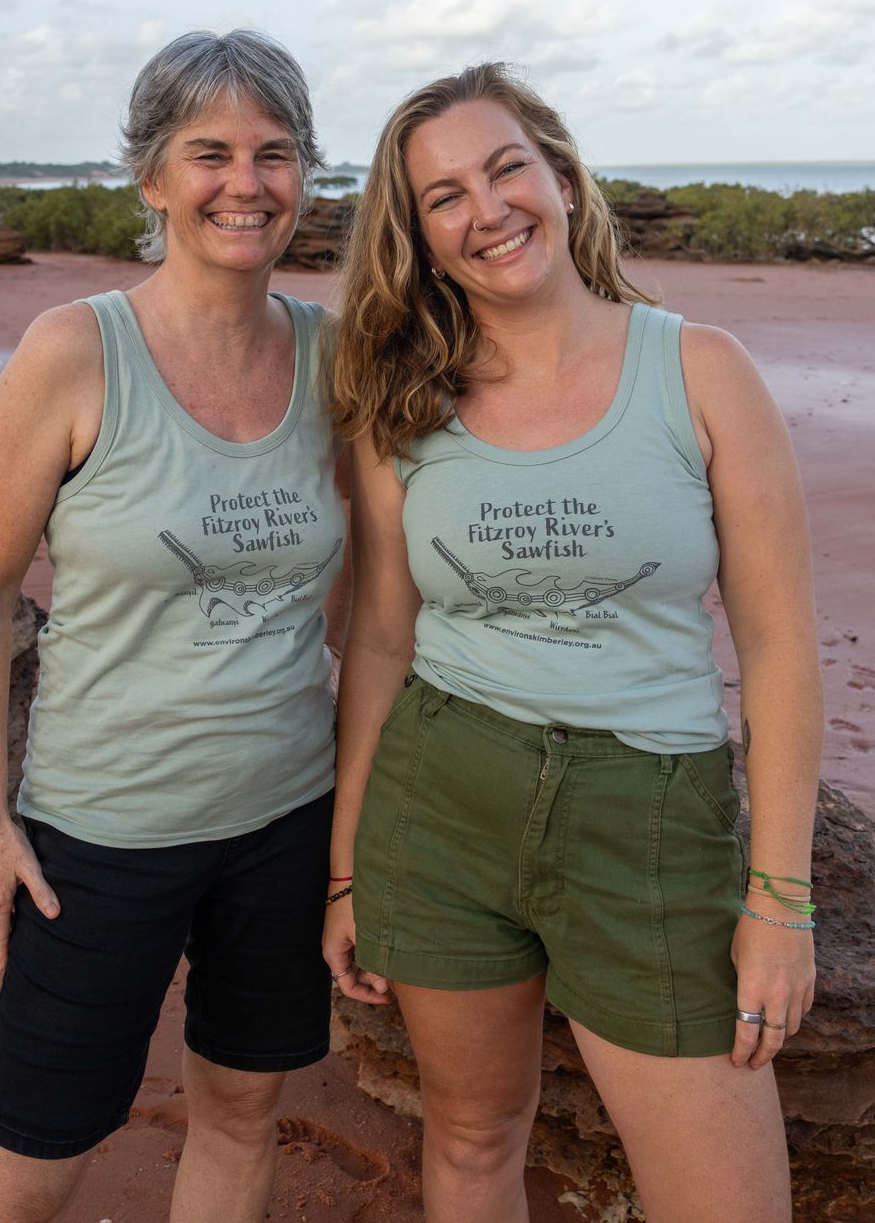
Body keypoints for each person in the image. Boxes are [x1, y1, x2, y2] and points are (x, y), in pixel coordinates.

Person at [323, 62, 822, 1223]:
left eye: (506, 168)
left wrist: (779, 900)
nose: (487, 210)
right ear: (421, 239)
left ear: (559, 174)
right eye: (444, 196)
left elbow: (780, 645)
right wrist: (349, 867)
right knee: (470, 1142)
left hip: (644, 813)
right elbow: (383, 640)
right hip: (439, 803)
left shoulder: (699, 369)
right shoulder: (403, 400)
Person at [0, 29, 348, 1223]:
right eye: (210, 151)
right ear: (152, 175)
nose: (246, 182)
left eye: (275, 154)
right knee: (33, 1156)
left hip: (286, 818)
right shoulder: (76, 351)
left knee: (241, 1112)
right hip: (101, 833)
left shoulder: (331, 356)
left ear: (303, 177)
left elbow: (375, 596)